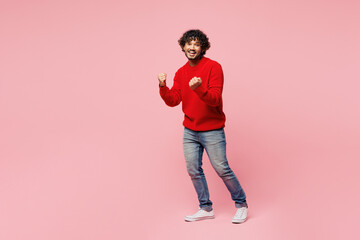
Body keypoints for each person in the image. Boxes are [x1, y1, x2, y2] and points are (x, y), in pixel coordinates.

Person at [158, 29, 248, 224]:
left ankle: (241, 205)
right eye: (189, 44)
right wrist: (163, 87)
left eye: (197, 44)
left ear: (202, 48)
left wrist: (198, 88)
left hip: (212, 129)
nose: (192, 47)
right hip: (190, 130)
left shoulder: (214, 67)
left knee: (221, 168)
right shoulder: (181, 72)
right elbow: (173, 100)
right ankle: (205, 208)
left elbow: (215, 99)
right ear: (183, 46)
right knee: (193, 169)